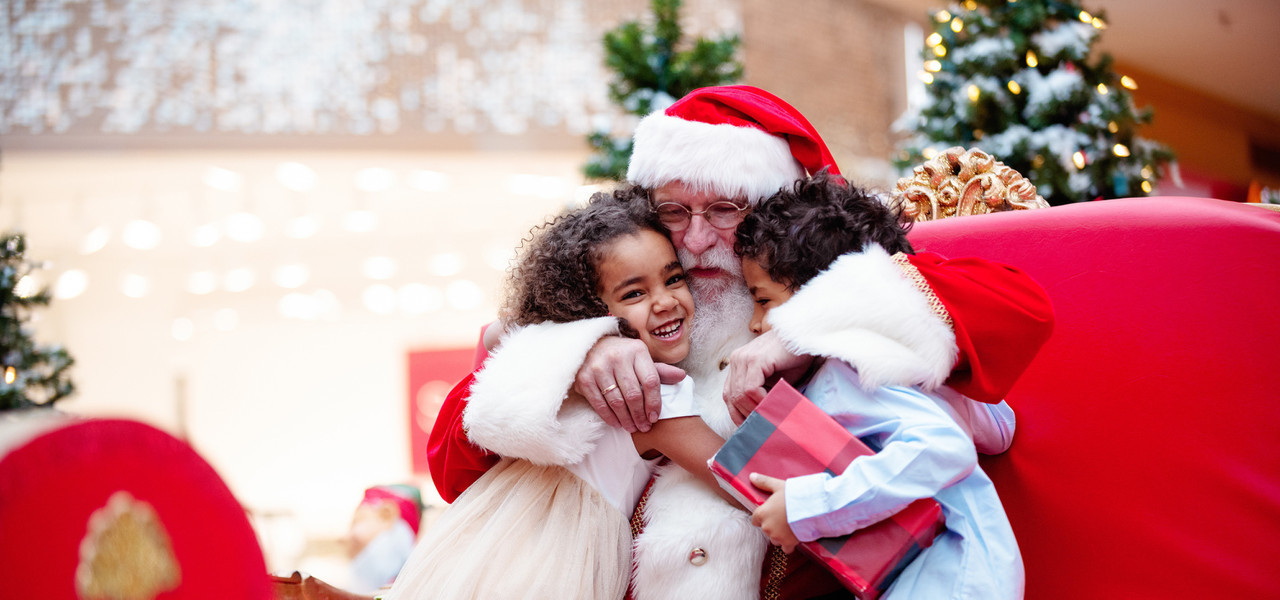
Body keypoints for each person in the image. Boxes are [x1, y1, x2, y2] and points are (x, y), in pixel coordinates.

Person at [428, 85, 1054, 599]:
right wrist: (579, 350)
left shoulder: (838, 292)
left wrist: (804, 329)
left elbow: (1021, 312)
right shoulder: (617, 308)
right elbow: (453, 472)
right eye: (674, 211)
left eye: (725, 210)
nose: (697, 241)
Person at [386, 188, 733, 599]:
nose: (664, 301)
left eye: (674, 279)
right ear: (588, 312)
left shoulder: (554, 376)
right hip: (556, 569)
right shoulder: (651, 395)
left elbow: (501, 332)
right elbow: (737, 476)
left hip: (479, 552)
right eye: (634, 293)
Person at [739, 173, 1023, 599]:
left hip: (946, 577)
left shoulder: (848, 371)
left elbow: (944, 448)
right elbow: (1000, 430)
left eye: (763, 300)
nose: (754, 324)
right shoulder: (898, 360)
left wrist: (805, 508)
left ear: (819, 295)